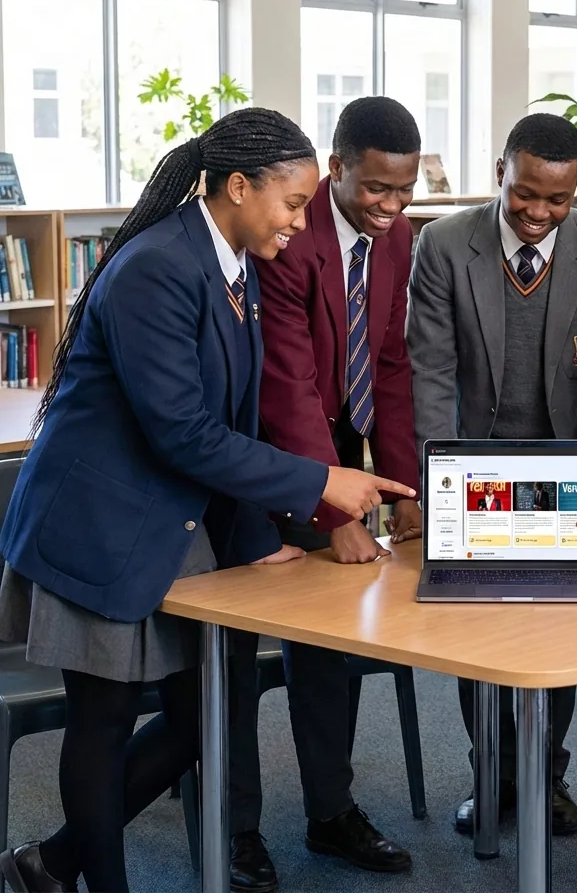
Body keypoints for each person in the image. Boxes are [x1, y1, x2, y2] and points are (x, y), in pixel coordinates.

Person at [0, 109, 415, 893]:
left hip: (169, 519)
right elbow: (184, 433)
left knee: (203, 720)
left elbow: (235, 416)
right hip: (97, 524)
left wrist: (255, 536)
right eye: (292, 203)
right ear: (239, 187)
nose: (301, 222)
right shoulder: (157, 267)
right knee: (103, 723)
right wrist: (320, 482)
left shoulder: (235, 266)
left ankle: (49, 865)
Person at [407, 111, 577, 836]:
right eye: (526, 194)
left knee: (562, 625)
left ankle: (547, 777)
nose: (539, 212)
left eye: (558, 200)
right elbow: (431, 373)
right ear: (500, 171)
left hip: (566, 468)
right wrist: (441, 486)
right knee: (473, 627)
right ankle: (491, 774)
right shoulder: (443, 244)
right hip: (471, 466)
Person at [228, 97, 422, 889]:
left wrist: (405, 486)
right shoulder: (289, 233)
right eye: (376, 188)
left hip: (336, 447)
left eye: (405, 190)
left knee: (331, 641)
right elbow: (288, 381)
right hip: (258, 458)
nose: (391, 206)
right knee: (233, 652)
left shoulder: (398, 237)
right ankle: (236, 828)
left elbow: (391, 362)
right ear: (337, 168)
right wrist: (332, 507)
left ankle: (330, 812)